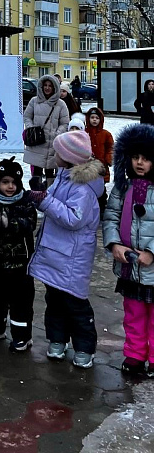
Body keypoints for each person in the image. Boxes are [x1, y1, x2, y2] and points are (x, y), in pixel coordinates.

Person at [28, 131, 105, 369]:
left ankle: (84, 347)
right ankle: (57, 340)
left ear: (69, 157)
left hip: (72, 258)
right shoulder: (64, 177)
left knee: (76, 305)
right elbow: (52, 203)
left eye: (58, 152)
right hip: (57, 253)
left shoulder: (83, 188)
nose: (54, 155)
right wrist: (41, 194)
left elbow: (73, 218)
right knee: (55, 301)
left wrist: (45, 201)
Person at [102, 123, 154, 376]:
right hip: (130, 267)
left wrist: (151, 252)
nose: (140, 163)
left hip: (152, 268)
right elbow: (111, 216)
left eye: (146, 158)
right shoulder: (123, 188)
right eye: (135, 157)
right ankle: (134, 355)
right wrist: (114, 244)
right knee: (133, 315)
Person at [0, 157, 37, 352]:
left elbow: (30, 224)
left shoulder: (26, 202)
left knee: (21, 300)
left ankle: (22, 336)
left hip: (21, 263)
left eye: (14, 182)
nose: (10, 186)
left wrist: (10, 224)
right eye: (5, 182)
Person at [23, 75, 69, 187]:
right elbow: (27, 117)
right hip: (37, 141)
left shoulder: (61, 104)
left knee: (51, 173)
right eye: (45, 85)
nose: (47, 88)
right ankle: (36, 194)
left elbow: (65, 123)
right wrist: (31, 128)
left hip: (53, 144)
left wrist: (57, 134)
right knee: (36, 173)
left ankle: (49, 196)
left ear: (55, 88)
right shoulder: (34, 101)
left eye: (50, 86)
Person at [85, 107, 114, 218]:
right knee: (87, 188)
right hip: (87, 166)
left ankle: (101, 208)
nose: (94, 120)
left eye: (97, 118)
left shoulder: (106, 134)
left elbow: (110, 148)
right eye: (92, 117)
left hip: (101, 167)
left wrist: (108, 159)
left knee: (101, 190)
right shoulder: (85, 133)